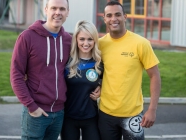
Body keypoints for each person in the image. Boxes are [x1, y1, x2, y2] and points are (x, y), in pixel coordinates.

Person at [98, 1, 161, 140]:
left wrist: (152, 109)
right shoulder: (100, 44)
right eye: (109, 15)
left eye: (117, 15)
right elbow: (99, 73)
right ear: (104, 19)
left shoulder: (141, 43)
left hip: (133, 114)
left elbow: (155, 76)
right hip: (105, 114)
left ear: (125, 17)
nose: (113, 19)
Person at [10, 0, 71, 139]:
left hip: (59, 112)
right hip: (36, 112)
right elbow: (16, 75)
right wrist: (31, 106)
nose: (58, 12)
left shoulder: (68, 40)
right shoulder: (27, 37)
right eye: (53, 8)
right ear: (46, 9)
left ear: (68, 12)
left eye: (62, 9)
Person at [61, 20, 103, 140]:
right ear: (76, 40)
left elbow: (109, 82)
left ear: (95, 40)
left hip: (91, 117)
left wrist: (101, 87)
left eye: (90, 39)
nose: (86, 43)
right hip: (69, 117)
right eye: (82, 39)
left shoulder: (99, 63)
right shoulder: (67, 62)